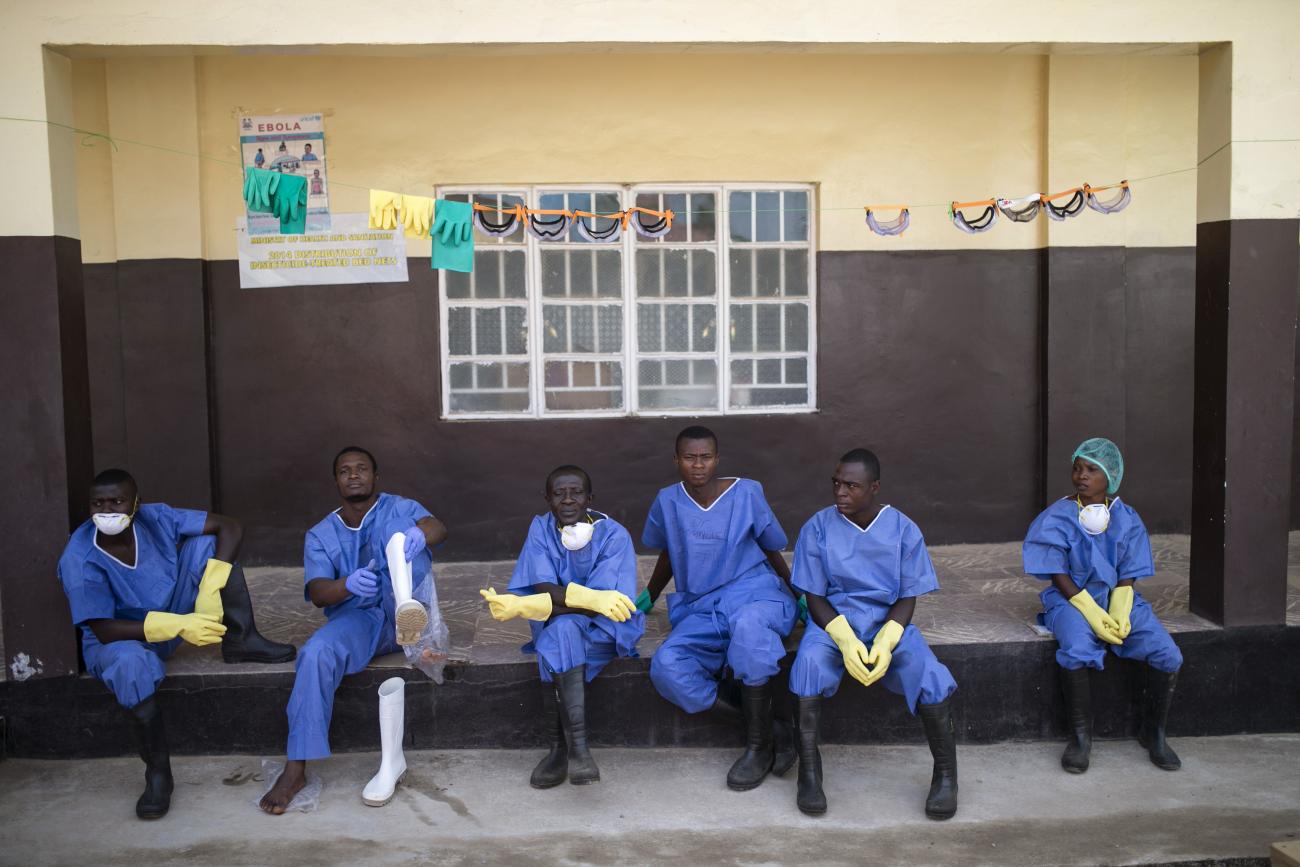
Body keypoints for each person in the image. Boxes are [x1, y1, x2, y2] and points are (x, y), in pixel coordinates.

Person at [56, 469, 295, 819]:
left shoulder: (155, 517)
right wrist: (181, 624)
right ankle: (158, 773)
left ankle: (242, 639)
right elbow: (104, 629)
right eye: (99, 503)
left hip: (170, 613)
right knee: (131, 666)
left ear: (135, 503)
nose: (108, 511)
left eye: (117, 501)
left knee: (208, 546)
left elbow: (228, 525)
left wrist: (212, 587)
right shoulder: (79, 558)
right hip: (123, 640)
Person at [259, 446, 448, 813]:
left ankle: (413, 625)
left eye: (362, 468)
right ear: (336, 481)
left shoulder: (399, 507)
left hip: (405, 605)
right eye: (345, 470)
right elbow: (317, 593)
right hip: (359, 620)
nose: (354, 475)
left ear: (375, 476)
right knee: (315, 653)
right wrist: (348, 584)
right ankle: (295, 768)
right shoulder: (319, 534)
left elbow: (438, 527)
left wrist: (420, 535)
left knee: (402, 535)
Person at [787, 449, 958, 819]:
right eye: (836, 483)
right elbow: (813, 596)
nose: (840, 493)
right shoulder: (817, 527)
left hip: (888, 623)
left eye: (852, 485)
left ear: (875, 487)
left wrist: (885, 640)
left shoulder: (903, 529)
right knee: (808, 666)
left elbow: (907, 595)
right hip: (832, 623)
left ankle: (946, 775)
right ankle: (809, 774)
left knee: (928, 674)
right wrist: (845, 640)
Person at [639, 425, 797, 791]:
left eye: (705, 457)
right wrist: (647, 596)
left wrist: (798, 594)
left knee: (749, 628)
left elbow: (771, 547)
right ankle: (769, 728)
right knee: (667, 666)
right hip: (703, 607)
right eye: (690, 458)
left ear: (717, 459)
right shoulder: (667, 501)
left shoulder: (747, 492)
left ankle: (757, 749)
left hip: (754, 594)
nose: (698, 465)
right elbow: (669, 552)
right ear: (676, 460)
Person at [1023, 437, 1183, 774]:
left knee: (1167, 653)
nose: (1082, 475)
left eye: (1092, 469)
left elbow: (1128, 574)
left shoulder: (1127, 518)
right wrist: (1091, 611)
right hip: (1070, 599)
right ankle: (1081, 739)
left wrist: (1120, 609)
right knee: (1078, 648)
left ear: (1110, 476)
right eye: (1078, 468)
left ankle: (1154, 734)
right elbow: (1057, 573)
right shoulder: (1057, 517)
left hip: (1117, 596)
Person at [480, 465, 644, 787]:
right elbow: (542, 585)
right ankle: (573, 751)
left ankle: (562, 749)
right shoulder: (541, 529)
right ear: (547, 499)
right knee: (561, 631)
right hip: (559, 622)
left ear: (590, 498)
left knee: (558, 633)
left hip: (604, 628)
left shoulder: (613, 535)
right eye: (559, 493)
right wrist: (569, 599)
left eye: (576, 492)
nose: (568, 500)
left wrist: (536, 604)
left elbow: (602, 604)